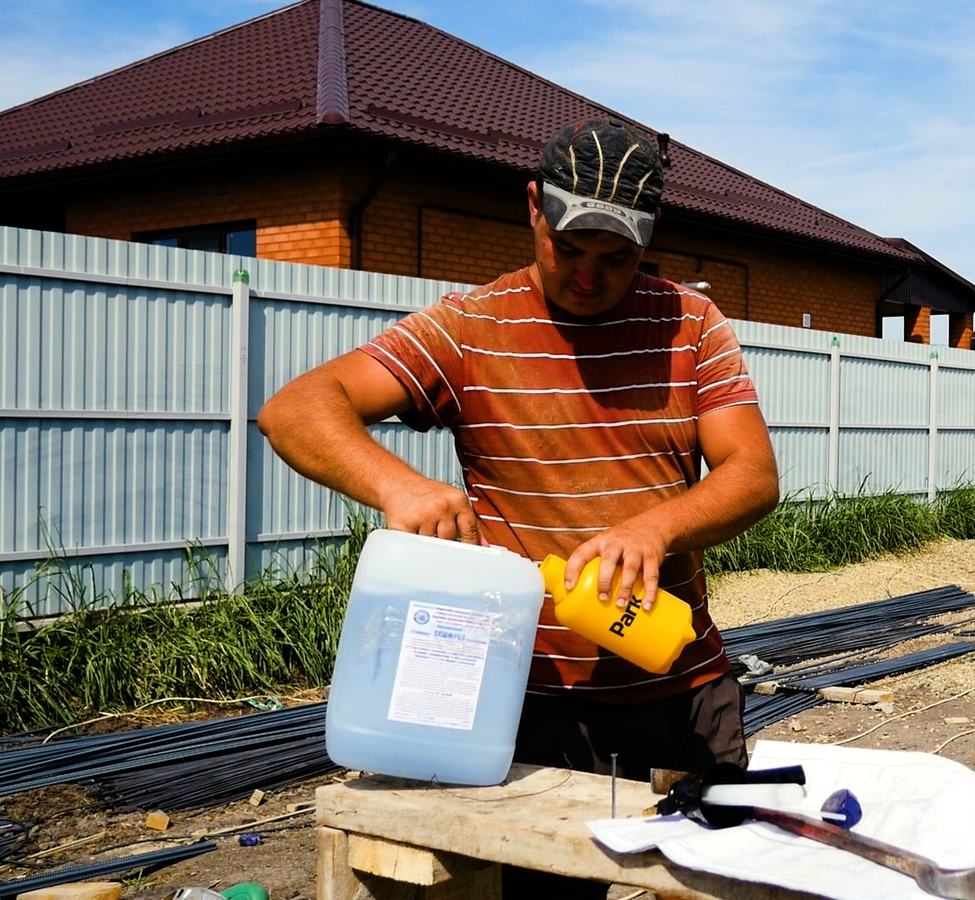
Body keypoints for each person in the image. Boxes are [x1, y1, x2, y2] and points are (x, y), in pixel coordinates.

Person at [258, 118, 780, 895]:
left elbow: (755, 473)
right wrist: (400, 486)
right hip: (535, 701)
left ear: (649, 238)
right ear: (533, 207)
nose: (588, 276)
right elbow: (297, 408)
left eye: (617, 259)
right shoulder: (470, 329)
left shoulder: (691, 325)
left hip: (680, 684)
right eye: (569, 248)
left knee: (735, 880)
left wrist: (656, 524)